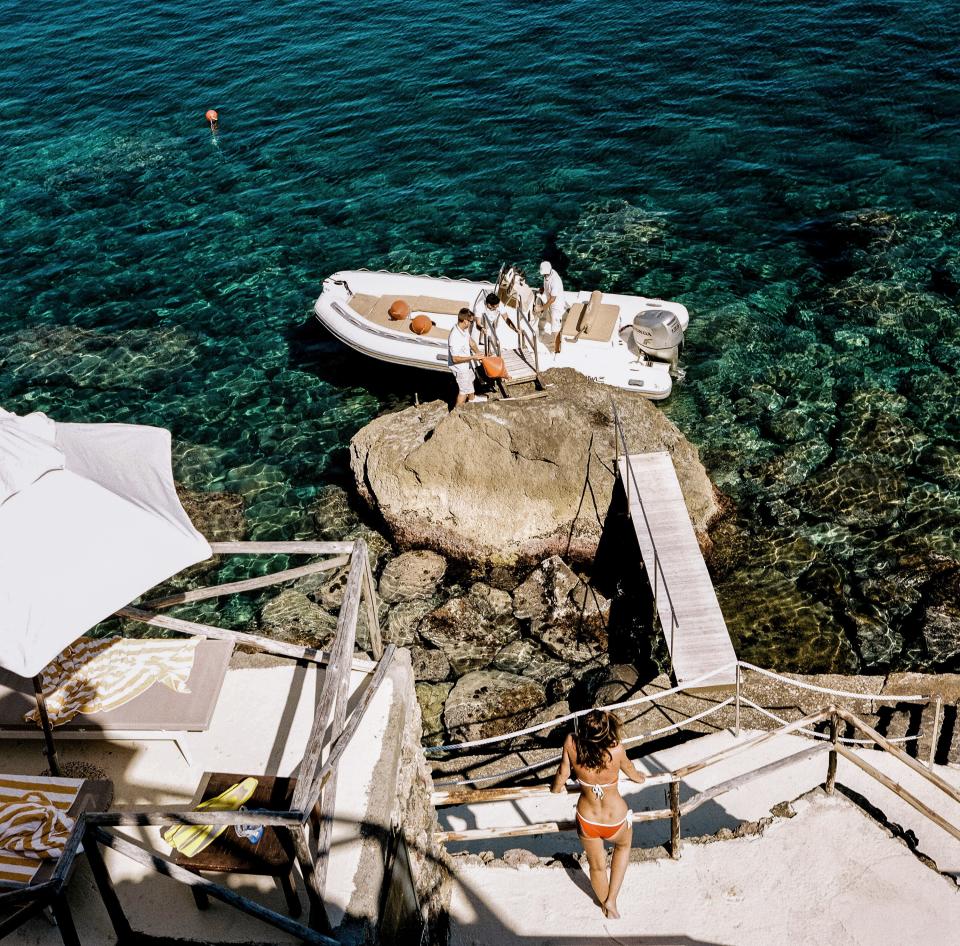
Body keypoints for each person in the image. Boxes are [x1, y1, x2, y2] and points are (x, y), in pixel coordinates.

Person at [551, 710, 646, 918]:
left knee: (597, 866)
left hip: (588, 819)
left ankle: (606, 906)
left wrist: (555, 789)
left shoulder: (571, 743)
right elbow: (631, 771)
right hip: (615, 819)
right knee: (622, 847)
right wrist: (640, 778)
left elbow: (563, 773)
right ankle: (612, 899)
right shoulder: (616, 750)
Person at [447, 307, 485, 407]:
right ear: (465, 321)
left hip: (466, 365)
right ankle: (456, 413)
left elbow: (471, 342)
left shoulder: (463, 330)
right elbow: (455, 359)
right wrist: (473, 357)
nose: (472, 323)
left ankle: (472, 399)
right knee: (463, 391)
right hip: (459, 368)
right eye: (471, 321)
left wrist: (479, 353)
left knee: (471, 379)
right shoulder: (454, 336)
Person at [538, 261, 567, 354]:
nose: (544, 275)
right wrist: (543, 289)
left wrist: (542, 308)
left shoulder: (555, 281)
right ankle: (556, 345)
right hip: (551, 303)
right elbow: (547, 284)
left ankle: (557, 350)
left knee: (556, 329)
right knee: (554, 326)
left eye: (545, 274)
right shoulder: (549, 273)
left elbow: (552, 299)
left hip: (556, 307)